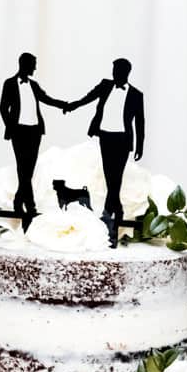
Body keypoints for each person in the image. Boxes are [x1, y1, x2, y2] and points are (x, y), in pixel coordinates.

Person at [57, 55, 146, 244]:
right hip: (105, 136)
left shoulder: (137, 95)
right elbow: (88, 98)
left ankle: (109, 219)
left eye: (118, 71)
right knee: (110, 177)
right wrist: (71, 106)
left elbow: (140, 122)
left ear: (126, 73)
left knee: (116, 178)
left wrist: (140, 146)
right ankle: (117, 212)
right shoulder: (106, 85)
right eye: (114, 71)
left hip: (123, 139)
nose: (115, 74)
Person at [0, 51, 56, 226]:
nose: (35, 68)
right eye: (33, 64)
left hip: (35, 131)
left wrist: (65, 105)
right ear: (25, 64)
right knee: (23, 167)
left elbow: (46, 98)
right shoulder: (9, 83)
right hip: (19, 131)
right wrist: (11, 127)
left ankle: (20, 200)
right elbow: (2, 107)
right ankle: (29, 205)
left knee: (28, 169)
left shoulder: (33, 85)